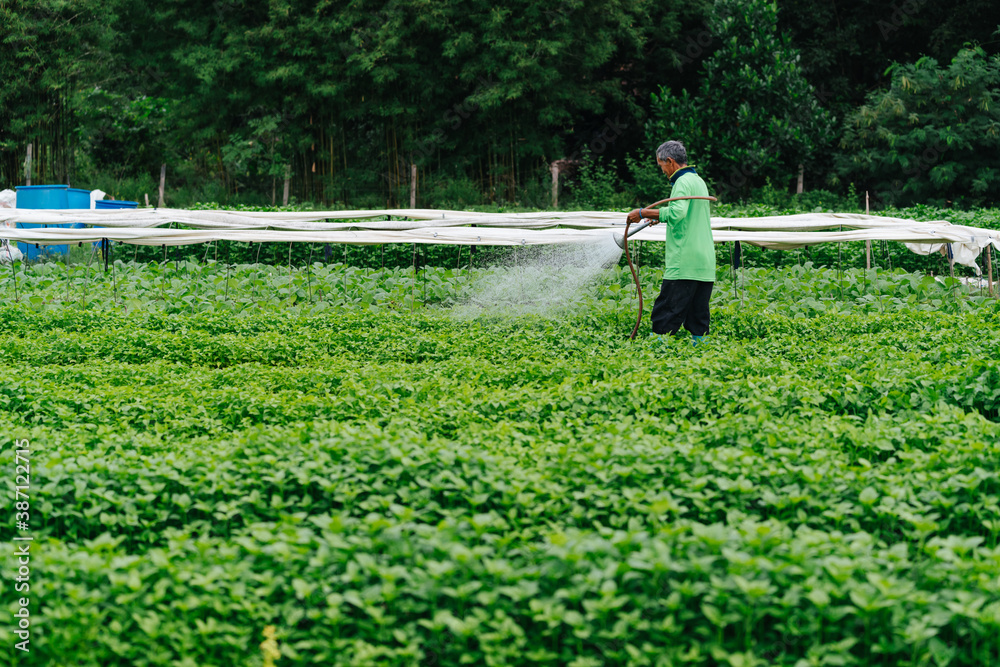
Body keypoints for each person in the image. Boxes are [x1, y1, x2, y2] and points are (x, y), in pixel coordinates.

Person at [626, 140, 714, 342]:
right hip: (704, 260)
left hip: (685, 260)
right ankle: (701, 351)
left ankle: (658, 349)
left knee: (667, 309)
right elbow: (686, 214)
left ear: (670, 161)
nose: (662, 170)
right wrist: (658, 216)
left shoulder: (682, 182)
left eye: (661, 165)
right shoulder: (698, 180)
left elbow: (677, 213)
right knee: (697, 313)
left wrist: (642, 212)